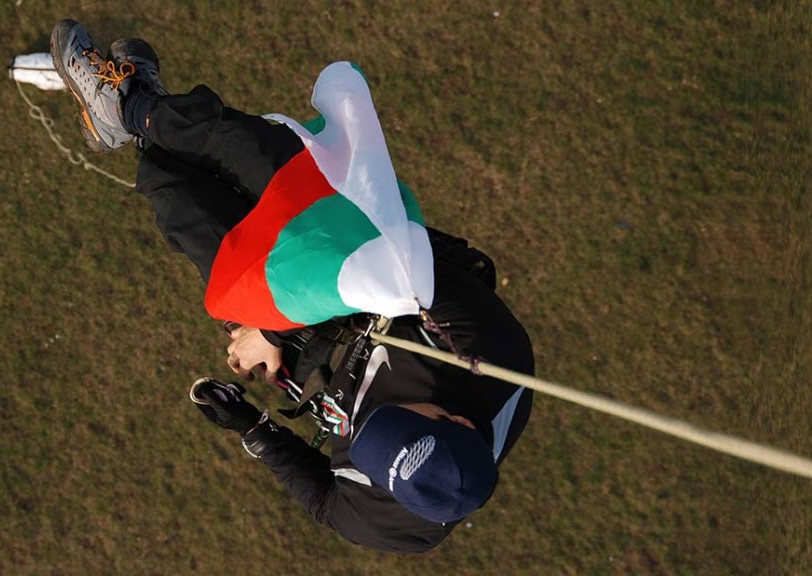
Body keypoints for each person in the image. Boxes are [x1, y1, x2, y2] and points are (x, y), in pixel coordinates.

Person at [50, 19, 534, 553]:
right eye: (399, 419)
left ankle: (135, 116)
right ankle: (128, 103)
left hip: (307, 345)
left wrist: (251, 426)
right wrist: (274, 331)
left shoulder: (394, 525)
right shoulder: (495, 358)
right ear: (458, 420)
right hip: (354, 249)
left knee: (177, 196)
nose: (373, 424)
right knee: (242, 146)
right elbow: (409, 275)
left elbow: (326, 502)